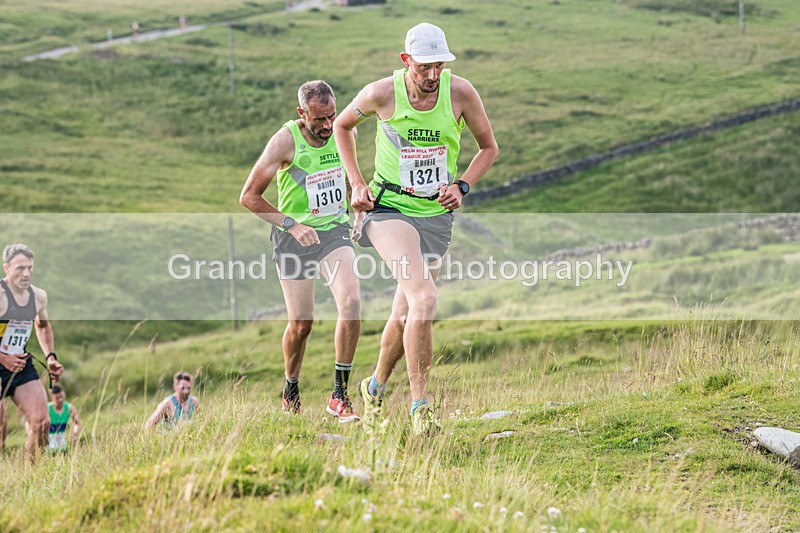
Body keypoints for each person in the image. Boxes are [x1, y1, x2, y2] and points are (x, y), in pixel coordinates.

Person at [333, 22, 499, 436]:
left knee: (405, 311)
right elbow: (341, 125)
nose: (432, 74)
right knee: (424, 299)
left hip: (435, 214)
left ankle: (374, 386)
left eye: (439, 65)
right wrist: (356, 183)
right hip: (388, 209)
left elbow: (488, 148)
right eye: (425, 67)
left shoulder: (460, 93)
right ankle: (420, 407)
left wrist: (462, 185)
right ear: (406, 60)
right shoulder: (381, 93)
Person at [240, 80, 362, 422]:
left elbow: (349, 176)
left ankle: (339, 394)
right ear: (301, 113)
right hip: (293, 239)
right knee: (301, 324)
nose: (327, 125)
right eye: (319, 119)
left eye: (331, 116)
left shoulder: (344, 131)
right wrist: (291, 224)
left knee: (351, 302)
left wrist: (359, 209)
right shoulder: (284, 141)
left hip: (333, 232)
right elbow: (249, 197)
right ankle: (291, 386)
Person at [0, 243, 64, 461]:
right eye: (20, 268)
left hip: (19, 363)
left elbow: (42, 326)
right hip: (3, 360)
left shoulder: (38, 297)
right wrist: (3, 357)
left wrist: (50, 356)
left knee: (42, 423)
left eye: (29, 268)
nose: (26, 273)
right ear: (7, 268)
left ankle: (33, 474)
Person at [26, 384, 82, 453]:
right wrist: (32, 436)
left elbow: (78, 423)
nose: (59, 399)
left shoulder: (69, 408)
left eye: (61, 396)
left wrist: (75, 433)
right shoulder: (46, 408)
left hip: (63, 447)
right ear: (51, 397)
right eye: (57, 397)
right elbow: (29, 422)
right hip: (46, 447)